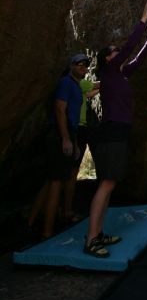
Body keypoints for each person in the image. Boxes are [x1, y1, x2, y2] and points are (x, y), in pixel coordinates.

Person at [84, 1, 147, 258]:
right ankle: (91, 238)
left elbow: (136, 60)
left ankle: (98, 231)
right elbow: (127, 50)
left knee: (110, 184)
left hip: (118, 132)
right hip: (111, 133)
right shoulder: (108, 71)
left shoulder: (121, 74)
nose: (118, 53)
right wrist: (142, 22)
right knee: (106, 184)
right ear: (107, 58)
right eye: (113, 52)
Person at [28, 53, 90, 240]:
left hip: (68, 133)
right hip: (58, 135)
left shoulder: (76, 87)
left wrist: (74, 141)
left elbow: (73, 117)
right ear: (71, 65)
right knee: (56, 182)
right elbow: (59, 109)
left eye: (85, 64)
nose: (83, 66)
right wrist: (65, 138)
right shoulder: (65, 82)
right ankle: (47, 232)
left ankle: (30, 222)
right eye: (78, 63)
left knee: (51, 180)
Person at [62, 77, 100, 224]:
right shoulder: (80, 82)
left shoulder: (77, 88)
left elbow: (88, 95)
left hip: (78, 128)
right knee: (72, 171)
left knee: (70, 171)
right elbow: (96, 85)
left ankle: (66, 208)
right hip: (78, 127)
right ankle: (67, 210)